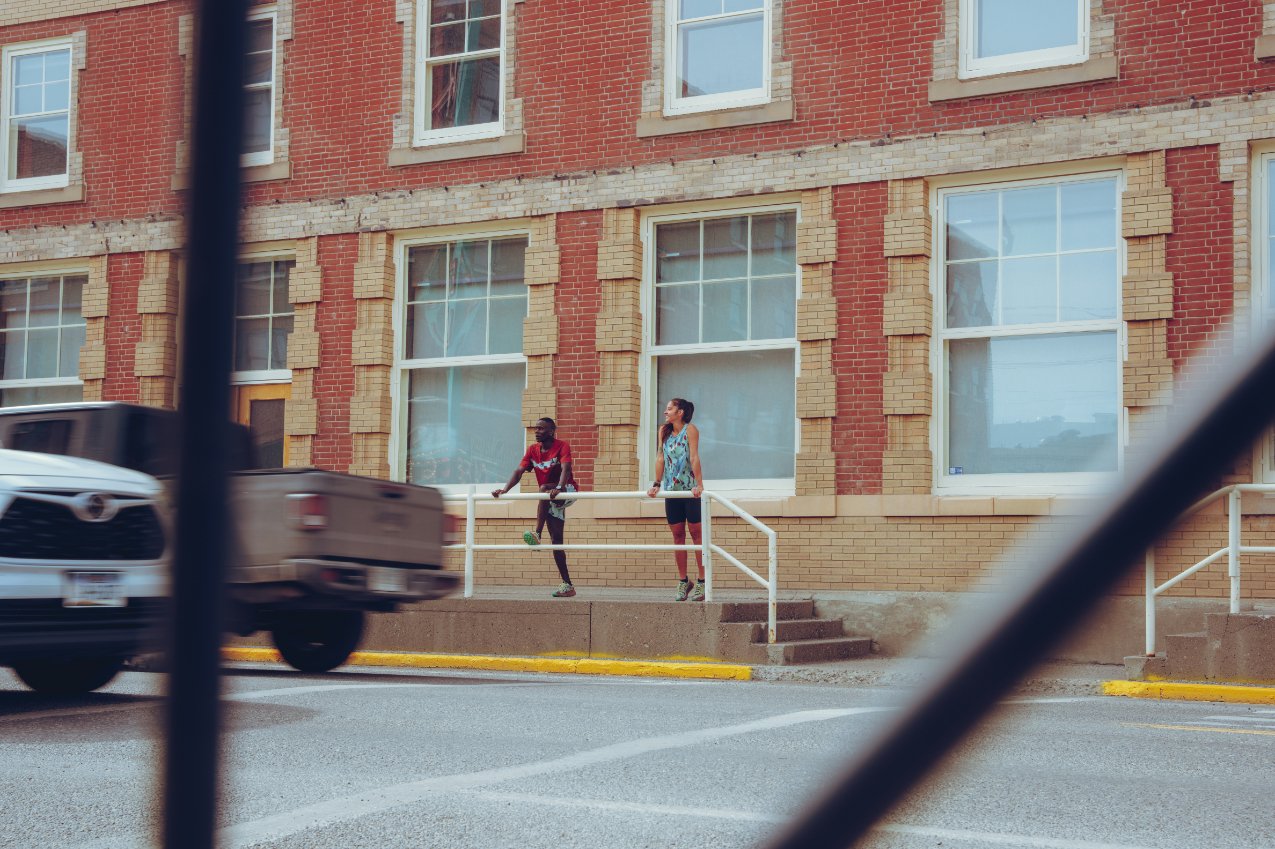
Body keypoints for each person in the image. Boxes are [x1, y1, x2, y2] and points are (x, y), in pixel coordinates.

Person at [492, 417, 579, 598]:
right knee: (557, 542)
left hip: (566, 491)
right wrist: (505, 489)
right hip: (548, 498)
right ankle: (568, 585)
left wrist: (560, 487)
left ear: (551, 431)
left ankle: (536, 534)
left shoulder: (562, 445)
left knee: (543, 488)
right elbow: (519, 471)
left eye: (541, 429)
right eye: (536, 429)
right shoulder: (533, 450)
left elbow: (566, 469)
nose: (537, 431)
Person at [646, 398, 705, 601]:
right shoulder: (663, 431)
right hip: (672, 491)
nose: (666, 412)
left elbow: (694, 457)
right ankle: (683, 581)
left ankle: (702, 581)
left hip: (689, 491)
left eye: (670, 408)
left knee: (697, 534)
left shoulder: (690, 430)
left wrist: (700, 484)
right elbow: (660, 457)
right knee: (678, 536)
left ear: (680, 412)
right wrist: (656, 483)